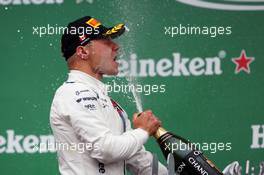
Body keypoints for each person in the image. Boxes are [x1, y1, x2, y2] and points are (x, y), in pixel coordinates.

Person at [50, 16, 168, 175]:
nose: (116, 46)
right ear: (83, 51)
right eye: (106, 41)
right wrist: (143, 130)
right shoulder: (71, 93)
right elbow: (105, 150)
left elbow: (137, 158)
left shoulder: (110, 103)